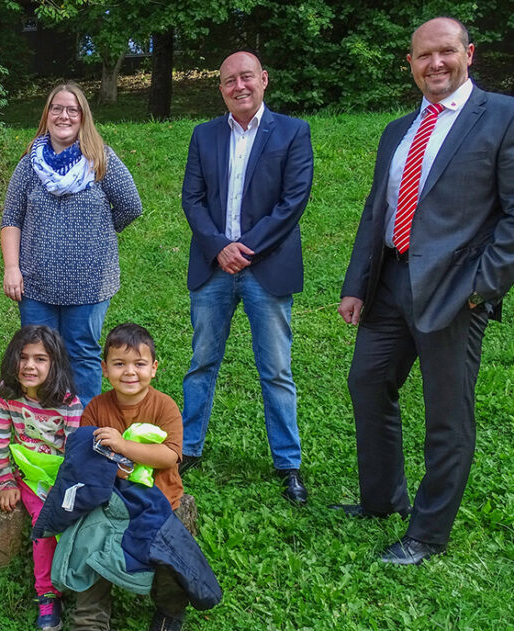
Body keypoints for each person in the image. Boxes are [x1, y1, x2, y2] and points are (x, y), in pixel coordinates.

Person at [335, 17, 514, 565]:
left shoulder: (503, 116)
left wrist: (481, 288)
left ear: (469, 53)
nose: (435, 64)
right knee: (367, 383)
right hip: (390, 284)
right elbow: (376, 213)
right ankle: (383, 499)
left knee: (447, 415)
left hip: (455, 292)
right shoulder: (399, 130)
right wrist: (356, 285)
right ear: (410, 64)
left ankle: (428, 533)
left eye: (446, 52)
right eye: (423, 56)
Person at [179, 51, 314, 505]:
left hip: (266, 267)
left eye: (247, 77)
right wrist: (220, 247)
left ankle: (288, 463)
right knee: (201, 363)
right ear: (221, 88)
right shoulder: (204, 135)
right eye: (229, 80)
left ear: (264, 79)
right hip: (213, 267)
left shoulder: (293, 132)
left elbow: (293, 200)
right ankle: (188, 448)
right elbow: (192, 199)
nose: (239, 86)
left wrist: (245, 249)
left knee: (276, 369)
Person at [1, 82, 142, 407]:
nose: (63, 115)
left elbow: (131, 205)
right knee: (38, 354)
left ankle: (82, 430)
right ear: (47, 114)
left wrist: (101, 232)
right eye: (56, 108)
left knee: (82, 352)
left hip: (90, 285)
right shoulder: (29, 165)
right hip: (36, 283)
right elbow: (11, 218)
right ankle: (40, 426)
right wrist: (11, 268)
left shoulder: (100, 160)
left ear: (82, 117)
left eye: (72, 110)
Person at [76, 323, 188, 631]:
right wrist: (114, 468)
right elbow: (86, 457)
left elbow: (169, 455)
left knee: (171, 556)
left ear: (153, 368)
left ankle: (169, 611)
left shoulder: (164, 406)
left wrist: (124, 446)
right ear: (104, 368)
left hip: (159, 501)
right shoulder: (97, 408)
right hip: (109, 502)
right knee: (91, 550)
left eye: (139, 364)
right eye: (119, 364)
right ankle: (90, 619)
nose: (129, 372)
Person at [0, 325, 83, 631]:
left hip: (62, 477)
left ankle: (82, 588)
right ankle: (47, 594)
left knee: (73, 521)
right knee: (43, 525)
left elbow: (74, 453)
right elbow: (0, 441)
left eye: (40, 359)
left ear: (54, 364)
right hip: (27, 477)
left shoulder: (68, 403)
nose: (30, 365)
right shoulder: (6, 393)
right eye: (24, 357)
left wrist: (65, 490)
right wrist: (5, 481)